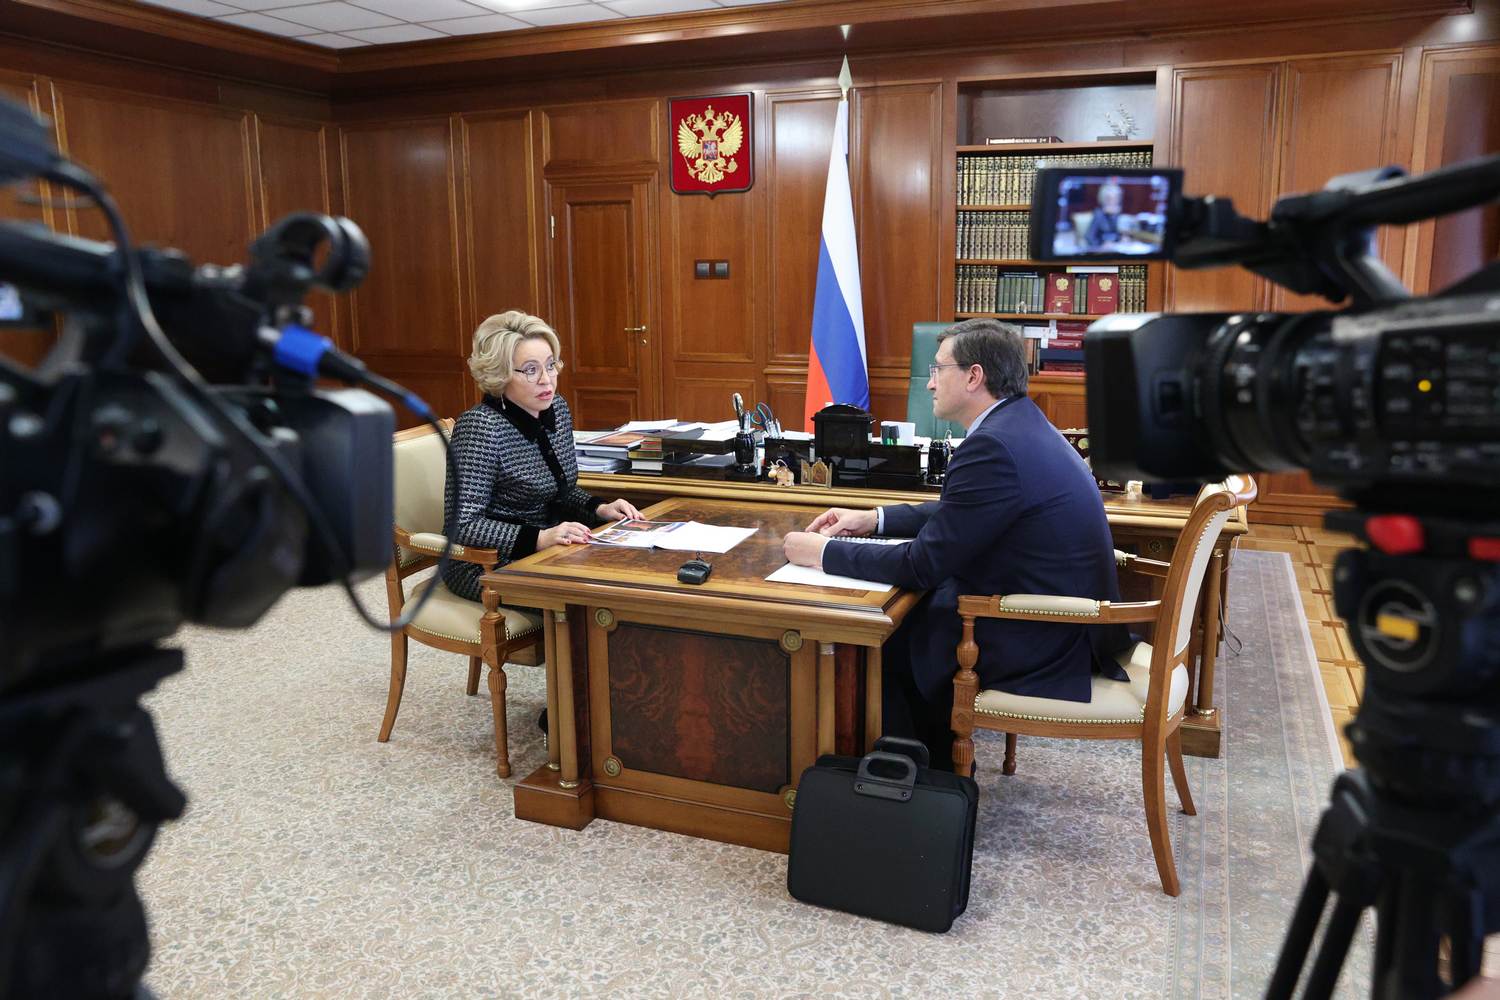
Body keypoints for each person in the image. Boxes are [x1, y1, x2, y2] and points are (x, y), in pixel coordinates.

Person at [782, 318, 1130, 771]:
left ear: (973, 376)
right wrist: (873, 518)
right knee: (909, 616)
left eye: (938, 369)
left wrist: (822, 554)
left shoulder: (993, 445)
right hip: (1065, 619)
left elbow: (921, 564)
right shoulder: (1018, 424)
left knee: (880, 638)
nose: (929, 383)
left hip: (1043, 633)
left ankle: (921, 781)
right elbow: (964, 511)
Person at [442, 310, 642, 605]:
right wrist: (539, 538)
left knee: (629, 576)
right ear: (500, 374)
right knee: (593, 601)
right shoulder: (480, 426)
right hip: (487, 563)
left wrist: (600, 508)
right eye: (531, 370)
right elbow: (462, 525)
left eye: (551, 365)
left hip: (552, 547)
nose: (546, 380)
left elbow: (560, 492)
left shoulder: (556, 408)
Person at [1083, 181, 1124, 250]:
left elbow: (1119, 235)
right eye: (1109, 199)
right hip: (1101, 250)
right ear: (1103, 199)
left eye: (1116, 198)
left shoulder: (1119, 215)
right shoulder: (1098, 214)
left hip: (1116, 249)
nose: (1113, 202)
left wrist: (1124, 239)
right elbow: (1089, 237)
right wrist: (1101, 246)